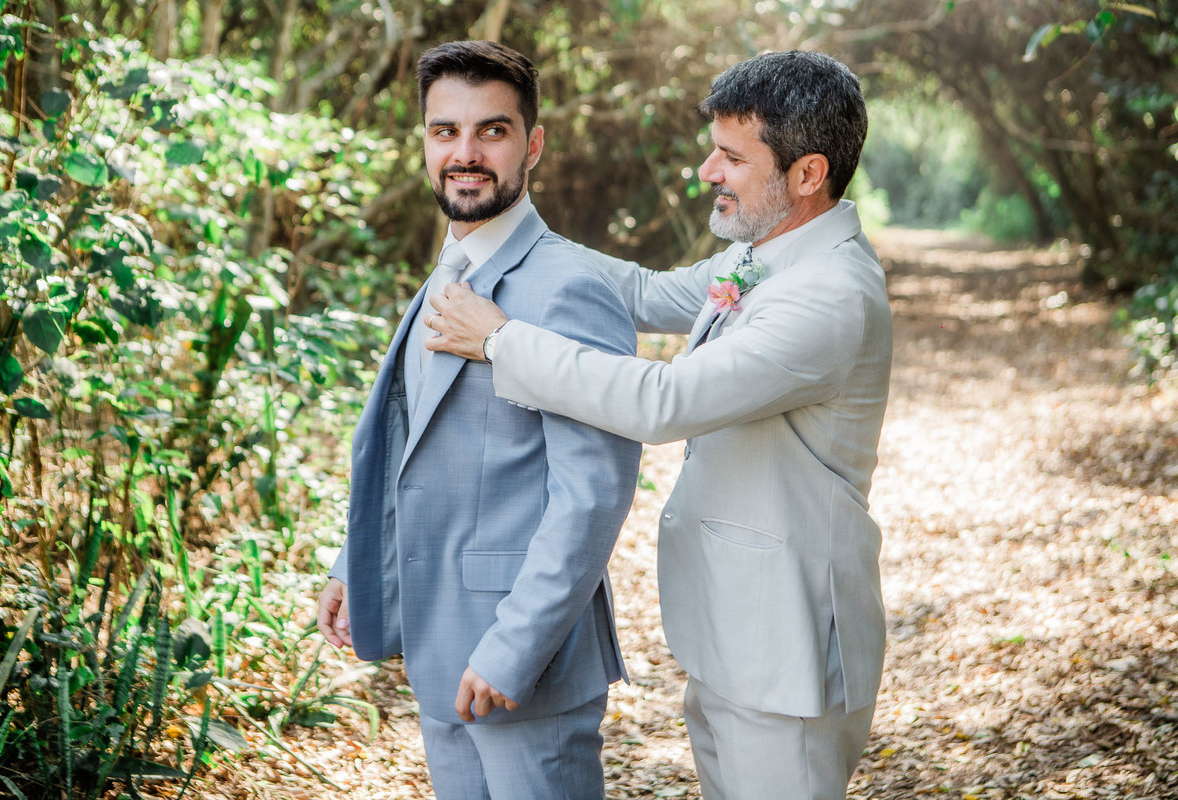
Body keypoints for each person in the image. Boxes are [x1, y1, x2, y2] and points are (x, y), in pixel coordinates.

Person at [426, 50, 892, 800]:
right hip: (738, 630)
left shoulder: (827, 295)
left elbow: (662, 403)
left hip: (790, 647)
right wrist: (516, 241)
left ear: (808, 174)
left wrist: (501, 339)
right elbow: (644, 289)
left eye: (732, 157)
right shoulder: (762, 252)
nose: (709, 170)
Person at [316, 40, 640, 800]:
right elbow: (418, 443)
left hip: (524, 663)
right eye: (444, 132)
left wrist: (514, 649)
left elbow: (591, 494)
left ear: (532, 145)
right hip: (438, 646)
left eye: (491, 131)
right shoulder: (450, 267)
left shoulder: (567, 288)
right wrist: (354, 565)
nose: (465, 154)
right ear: (424, 142)